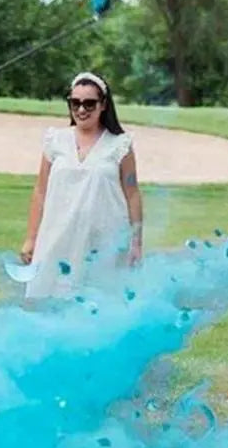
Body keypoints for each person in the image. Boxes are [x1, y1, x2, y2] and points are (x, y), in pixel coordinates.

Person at [20, 71, 143, 299]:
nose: (81, 109)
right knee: (48, 300)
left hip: (103, 238)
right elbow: (40, 191)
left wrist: (136, 242)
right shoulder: (55, 140)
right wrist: (31, 238)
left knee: (97, 302)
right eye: (75, 103)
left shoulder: (120, 145)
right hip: (57, 235)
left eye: (89, 103)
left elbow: (132, 194)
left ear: (103, 105)